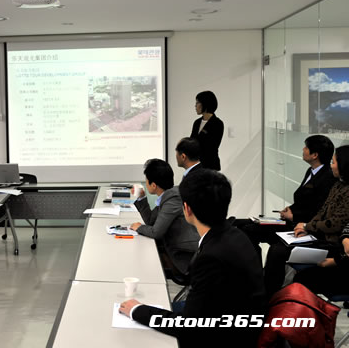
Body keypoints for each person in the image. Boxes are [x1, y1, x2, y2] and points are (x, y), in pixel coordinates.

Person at [120, 169, 266, 348]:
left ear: (187, 209)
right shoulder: (235, 235)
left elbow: (189, 326)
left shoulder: (211, 257)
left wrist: (138, 311)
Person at [264, 145, 349, 297]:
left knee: (279, 252)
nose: (331, 166)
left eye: (334, 162)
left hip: (332, 245)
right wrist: (305, 227)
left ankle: (271, 298)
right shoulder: (338, 185)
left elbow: (336, 223)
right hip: (321, 237)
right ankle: (270, 295)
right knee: (277, 247)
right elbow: (322, 211)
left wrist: (308, 226)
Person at [236, 135, 336, 258]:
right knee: (238, 224)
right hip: (292, 220)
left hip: (301, 226)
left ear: (315, 155)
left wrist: (293, 216)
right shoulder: (311, 171)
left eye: (306, 147)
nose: (303, 149)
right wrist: (290, 209)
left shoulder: (327, 177)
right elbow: (303, 201)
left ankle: (252, 267)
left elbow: (319, 210)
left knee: (248, 230)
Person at [129, 159, 199, 275]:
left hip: (184, 255)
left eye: (146, 181)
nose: (145, 184)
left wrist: (139, 227)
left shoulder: (173, 199)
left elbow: (156, 232)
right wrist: (141, 197)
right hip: (175, 248)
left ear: (153, 185)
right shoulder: (168, 196)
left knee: (142, 259)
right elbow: (151, 221)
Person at [190, 91, 224, 170]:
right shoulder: (197, 122)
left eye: (197, 103)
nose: (195, 106)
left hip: (210, 165)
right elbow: (191, 141)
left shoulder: (217, 123)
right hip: (196, 165)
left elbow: (212, 146)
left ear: (205, 104)